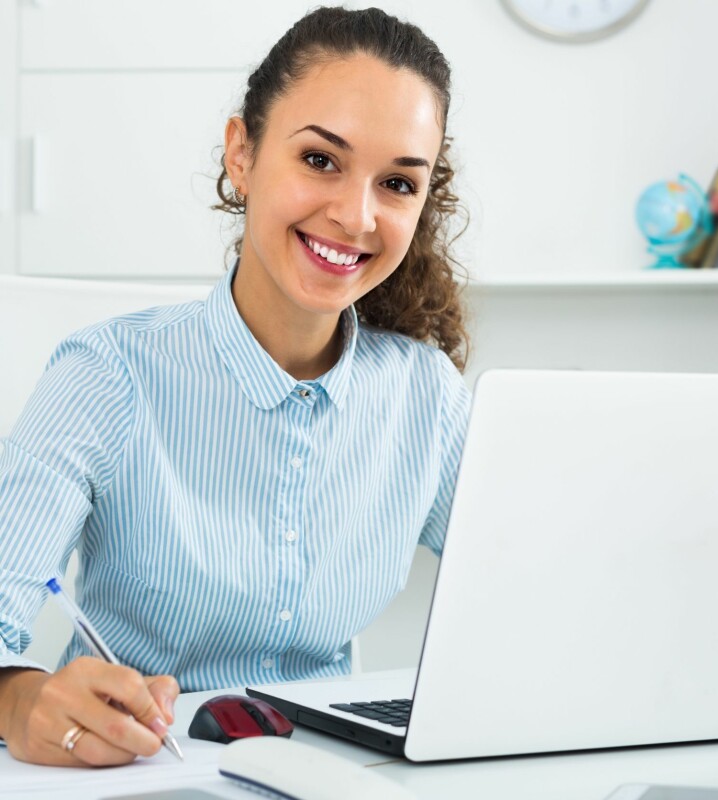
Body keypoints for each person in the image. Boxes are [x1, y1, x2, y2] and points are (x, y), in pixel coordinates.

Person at [0, 6, 470, 767]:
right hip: (139, 773)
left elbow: (544, 584)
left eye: (396, 183)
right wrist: (20, 698)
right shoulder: (106, 375)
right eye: (321, 160)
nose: (356, 216)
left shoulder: (427, 396)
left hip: (334, 774)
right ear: (242, 155)